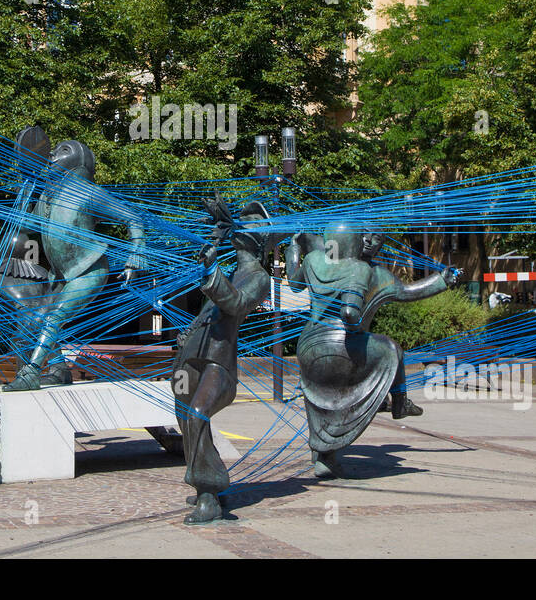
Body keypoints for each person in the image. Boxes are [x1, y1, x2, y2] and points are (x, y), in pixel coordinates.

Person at [286, 223, 458, 478]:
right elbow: (397, 296)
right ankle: (398, 402)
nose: (369, 242)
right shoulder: (363, 271)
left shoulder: (313, 260)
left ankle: (324, 457)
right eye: (364, 237)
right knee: (390, 349)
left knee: (319, 396)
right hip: (344, 346)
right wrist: (443, 280)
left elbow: (294, 283)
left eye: (377, 239)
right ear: (355, 241)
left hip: (309, 346)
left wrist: (293, 250)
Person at [3, 134, 148, 391]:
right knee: (38, 319)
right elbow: (27, 226)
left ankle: (32, 372)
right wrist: (26, 190)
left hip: (89, 270)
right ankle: (59, 370)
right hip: (60, 274)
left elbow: (132, 217)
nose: (53, 154)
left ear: (80, 162)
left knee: (53, 318)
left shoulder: (89, 193)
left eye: (63, 150)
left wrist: (136, 253)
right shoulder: (47, 198)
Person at [172, 197, 275, 524]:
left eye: (254, 224)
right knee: (184, 417)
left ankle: (209, 494)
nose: (245, 225)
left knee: (198, 414)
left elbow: (235, 304)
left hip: (219, 364)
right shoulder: (231, 269)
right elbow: (209, 311)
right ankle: (205, 486)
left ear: (261, 243)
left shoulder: (259, 277)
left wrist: (212, 270)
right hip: (193, 355)